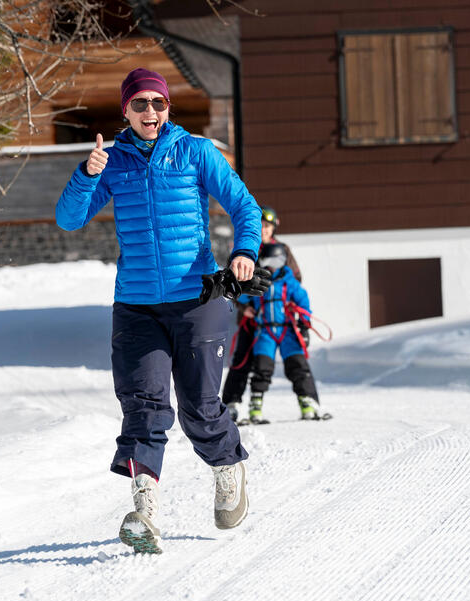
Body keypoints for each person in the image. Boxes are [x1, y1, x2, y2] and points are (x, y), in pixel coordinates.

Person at [54, 68, 269, 554]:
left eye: (159, 103)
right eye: (140, 104)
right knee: (143, 408)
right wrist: (87, 174)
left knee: (198, 408)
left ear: (167, 109)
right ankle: (144, 512)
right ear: (125, 111)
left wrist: (245, 252)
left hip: (197, 301)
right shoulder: (112, 161)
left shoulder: (194, 151)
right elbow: (69, 220)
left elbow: (243, 205)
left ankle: (227, 467)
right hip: (137, 307)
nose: (150, 112)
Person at [221, 206, 302, 423]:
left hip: (276, 317)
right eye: (260, 225)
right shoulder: (245, 248)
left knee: (290, 357)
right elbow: (231, 284)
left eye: (267, 226)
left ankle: (307, 400)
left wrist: (288, 303)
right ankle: (231, 403)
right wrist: (242, 307)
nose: (264, 230)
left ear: (274, 227)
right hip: (250, 317)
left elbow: (295, 278)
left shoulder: (283, 249)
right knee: (242, 359)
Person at [242, 241, 329, 424]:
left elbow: (303, 302)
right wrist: (245, 297)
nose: (273, 266)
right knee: (262, 367)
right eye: (269, 262)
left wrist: (304, 327)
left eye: (278, 261)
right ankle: (255, 407)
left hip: (287, 330)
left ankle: (307, 403)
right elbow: (242, 296)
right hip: (265, 331)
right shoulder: (258, 280)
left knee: (298, 365)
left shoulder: (289, 281)